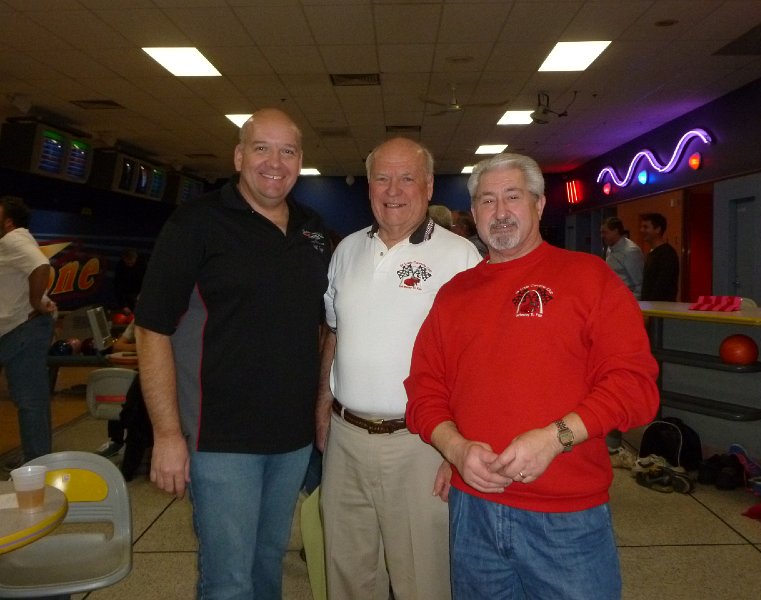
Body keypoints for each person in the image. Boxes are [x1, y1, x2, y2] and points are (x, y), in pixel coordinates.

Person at [404, 153, 660, 599]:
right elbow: (424, 392)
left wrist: (555, 437)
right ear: (474, 213)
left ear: (539, 205)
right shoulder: (454, 295)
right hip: (473, 514)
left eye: (513, 197)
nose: (500, 212)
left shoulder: (589, 278)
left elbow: (635, 386)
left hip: (567, 520)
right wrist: (455, 448)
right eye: (487, 201)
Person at [134, 108, 331, 599]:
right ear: (240, 156)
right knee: (228, 580)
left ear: (300, 161)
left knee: (267, 566)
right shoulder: (196, 223)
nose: (275, 162)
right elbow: (151, 329)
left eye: (288, 151)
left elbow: (328, 326)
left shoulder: (313, 230)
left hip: (291, 438)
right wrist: (165, 434)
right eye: (262, 148)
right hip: (218, 438)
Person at [316, 137, 482, 600]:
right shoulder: (346, 251)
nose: (393, 190)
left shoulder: (460, 257)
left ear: (428, 187)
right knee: (346, 575)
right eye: (382, 178)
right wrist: (323, 408)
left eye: (407, 177)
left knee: (422, 581)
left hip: (421, 443)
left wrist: (458, 448)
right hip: (345, 440)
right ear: (369, 186)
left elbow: (474, 361)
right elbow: (334, 333)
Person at [0, 195, 57, 469]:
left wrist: (36, 300)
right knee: (32, 400)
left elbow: (40, 265)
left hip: (22, 330)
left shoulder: (14, 239)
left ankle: (37, 466)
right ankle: (38, 460)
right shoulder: (15, 241)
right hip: (20, 330)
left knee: (30, 401)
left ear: (8, 221)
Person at [95, 319, 137, 458]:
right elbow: (118, 346)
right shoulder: (137, 321)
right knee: (120, 386)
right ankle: (116, 440)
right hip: (138, 371)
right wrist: (144, 345)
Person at [600, 216, 644, 299]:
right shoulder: (610, 248)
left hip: (626, 300)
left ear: (616, 231)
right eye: (601, 233)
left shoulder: (631, 252)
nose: (602, 236)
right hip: (613, 297)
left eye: (605, 232)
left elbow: (639, 285)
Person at [640, 212, 680, 301]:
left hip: (662, 309)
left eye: (646, 227)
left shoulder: (667, 254)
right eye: (642, 227)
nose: (641, 230)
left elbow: (662, 285)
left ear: (657, 229)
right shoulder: (652, 253)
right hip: (652, 308)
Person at [113, 248, 146, 313]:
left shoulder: (142, 265)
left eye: (132, 263)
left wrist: (142, 294)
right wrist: (123, 306)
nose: (130, 265)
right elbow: (118, 287)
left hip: (140, 293)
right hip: (127, 294)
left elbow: (147, 281)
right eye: (128, 263)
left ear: (136, 258)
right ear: (123, 259)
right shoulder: (120, 267)